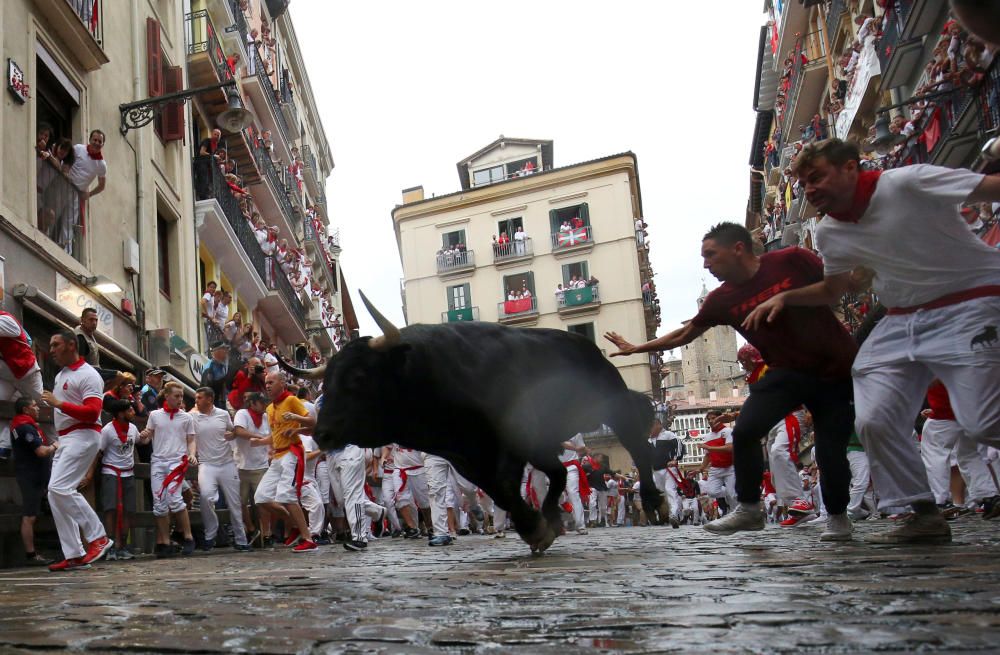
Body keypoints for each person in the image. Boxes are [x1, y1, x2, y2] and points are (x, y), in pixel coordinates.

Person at [745, 138, 1000, 543]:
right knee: (874, 418)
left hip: (970, 302)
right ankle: (923, 513)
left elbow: (990, 187)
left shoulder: (907, 182)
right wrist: (785, 296)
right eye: (803, 183)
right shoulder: (829, 233)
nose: (809, 190)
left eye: (816, 178)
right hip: (902, 317)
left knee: (984, 422)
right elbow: (832, 292)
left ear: (851, 168)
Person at [605, 222, 857, 542]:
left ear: (738, 248)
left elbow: (837, 287)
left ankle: (837, 516)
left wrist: (787, 298)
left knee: (830, 448)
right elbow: (686, 333)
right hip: (785, 371)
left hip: (833, 367)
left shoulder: (792, 259)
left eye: (711, 255)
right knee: (746, 430)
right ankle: (750, 509)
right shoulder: (720, 300)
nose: (706, 264)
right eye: (703, 258)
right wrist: (637, 348)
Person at [42, 329, 113, 571]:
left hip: (83, 434)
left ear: (72, 345)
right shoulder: (62, 374)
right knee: (56, 493)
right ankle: (73, 553)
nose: (51, 349)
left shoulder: (89, 375)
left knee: (58, 488)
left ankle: (98, 537)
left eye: (55, 344)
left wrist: (59, 403)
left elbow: (93, 411)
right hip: (67, 438)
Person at [252, 371, 318, 553]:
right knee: (261, 497)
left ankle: (308, 538)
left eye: (271, 382)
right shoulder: (269, 408)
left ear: (282, 383)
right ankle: (296, 524)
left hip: (292, 453)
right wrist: (260, 442)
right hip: (278, 456)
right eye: (266, 382)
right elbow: (275, 436)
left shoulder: (292, 400)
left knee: (285, 495)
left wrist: (296, 421)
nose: (267, 385)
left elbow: (312, 422)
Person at [139, 381, 197, 558]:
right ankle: (164, 541)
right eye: (176, 396)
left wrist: (191, 454)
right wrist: (144, 436)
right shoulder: (155, 415)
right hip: (158, 461)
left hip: (177, 462)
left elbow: (191, 439)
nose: (180, 399)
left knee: (174, 498)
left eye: (181, 396)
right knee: (159, 503)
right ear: (167, 396)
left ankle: (188, 537)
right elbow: (147, 438)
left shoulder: (186, 417)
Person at [189, 387, 250, 551]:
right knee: (206, 497)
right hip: (207, 464)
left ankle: (241, 539)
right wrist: (192, 453)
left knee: (234, 502)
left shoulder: (223, 414)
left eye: (200, 397)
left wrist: (234, 434)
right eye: (196, 397)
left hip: (227, 464)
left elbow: (233, 430)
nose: (197, 400)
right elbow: (190, 437)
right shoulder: (192, 417)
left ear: (210, 399)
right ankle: (210, 535)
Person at [10, 397, 57, 564]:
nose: (37, 408)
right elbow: (41, 451)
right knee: (29, 515)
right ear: (25, 410)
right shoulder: (24, 428)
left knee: (38, 513)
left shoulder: (25, 425)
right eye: (34, 406)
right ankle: (31, 555)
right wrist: (54, 446)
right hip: (31, 477)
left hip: (37, 476)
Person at [93, 399, 138, 560]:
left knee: (129, 510)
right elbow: (99, 452)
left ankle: (123, 546)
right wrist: (90, 474)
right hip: (111, 471)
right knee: (110, 509)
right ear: (120, 414)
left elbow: (141, 440)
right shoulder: (107, 431)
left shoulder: (133, 428)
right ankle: (110, 546)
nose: (133, 411)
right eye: (129, 410)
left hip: (128, 472)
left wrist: (151, 432)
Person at [231, 392, 271, 546]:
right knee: (240, 501)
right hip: (241, 465)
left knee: (264, 501)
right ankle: (251, 528)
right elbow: (239, 431)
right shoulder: (242, 414)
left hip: (260, 465)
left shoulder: (266, 418)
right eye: (261, 402)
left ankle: (266, 533)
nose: (264, 405)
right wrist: (260, 437)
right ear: (252, 403)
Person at [647, 416, 684, 528]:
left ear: (659, 425)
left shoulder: (668, 435)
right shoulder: (648, 440)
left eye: (652, 425)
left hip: (669, 468)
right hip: (656, 471)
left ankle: (673, 515)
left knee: (670, 490)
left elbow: (679, 444)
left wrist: (675, 459)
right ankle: (678, 511)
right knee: (662, 492)